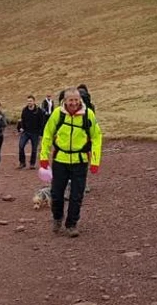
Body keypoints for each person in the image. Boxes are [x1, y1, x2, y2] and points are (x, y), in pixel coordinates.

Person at [40, 88, 103, 237]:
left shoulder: (88, 115)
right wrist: (44, 157)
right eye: (71, 100)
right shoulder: (57, 114)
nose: (74, 103)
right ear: (65, 101)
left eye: (76, 100)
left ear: (80, 100)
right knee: (56, 194)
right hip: (60, 160)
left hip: (80, 161)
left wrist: (95, 161)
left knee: (77, 195)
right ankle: (57, 218)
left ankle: (71, 224)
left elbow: (96, 137)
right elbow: (48, 134)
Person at [17, 96, 45, 169]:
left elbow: (42, 123)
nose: (29, 102)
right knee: (21, 146)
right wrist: (22, 128)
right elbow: (22, 120)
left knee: (34, 149)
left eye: (31, 101)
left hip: (35, 133)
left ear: (34, 102)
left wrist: (40, 134)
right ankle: (22, 163)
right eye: (28, 101)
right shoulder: (25, 110)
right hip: (26, 132)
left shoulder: (39, 111)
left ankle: (32, 164)